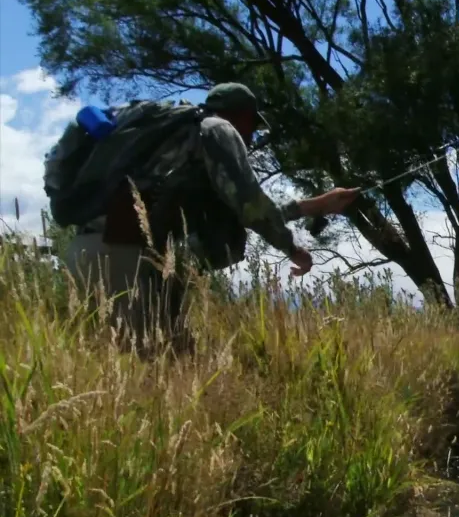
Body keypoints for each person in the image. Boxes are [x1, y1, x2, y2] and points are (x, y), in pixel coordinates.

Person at [63, 82, 358, 353]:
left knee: (163, 354)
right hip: (124, 256)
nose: (251, 135)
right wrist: (292, 249)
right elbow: (250, 206)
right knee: (153, 358)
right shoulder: (218, 129)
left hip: (90, 250)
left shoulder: (180, 139)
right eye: (252, 125)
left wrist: (316, 205)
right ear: (242, 116)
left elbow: (240, 211)